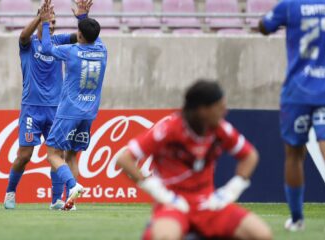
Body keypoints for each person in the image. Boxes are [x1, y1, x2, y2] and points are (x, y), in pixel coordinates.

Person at [117, 81, 273, 240]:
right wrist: (159, 192)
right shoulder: (169, 129)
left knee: (262, 234)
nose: (225, 111)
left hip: (209, 205)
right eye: (219, 107)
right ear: (202, 110)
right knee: (165, 237)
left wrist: (232, 189)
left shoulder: (220, 129)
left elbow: (249, 156)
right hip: (174, 205)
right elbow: (125, 159)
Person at [3, 0, 93, 210]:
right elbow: (22, 36)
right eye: (49, 22)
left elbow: (84, 37)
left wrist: (84, 18)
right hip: (31, 109)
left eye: (54, 22)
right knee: (24, 155)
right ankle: (10, 192)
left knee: (57, 155)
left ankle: (56, 200)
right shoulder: (29, 44)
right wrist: (39, 19)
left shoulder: (59, 42)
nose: (51, 26)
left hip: (56, 109)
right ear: (40, 21)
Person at [259, 0, 325, 231]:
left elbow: (264, 26)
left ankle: (297, 219)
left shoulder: (289, 6)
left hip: (297, 90)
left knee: (294, 153)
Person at [39, 0, 107, 210]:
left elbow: (46, 47)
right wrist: (83, 17)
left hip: (69, 111)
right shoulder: (102, 50)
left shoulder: (72, 51)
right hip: (89, 113)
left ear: (79, 35)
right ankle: (72, 202)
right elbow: (91, 35)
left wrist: (43, 23)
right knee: (72, 155)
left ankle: (73, 185)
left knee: (53, 154)